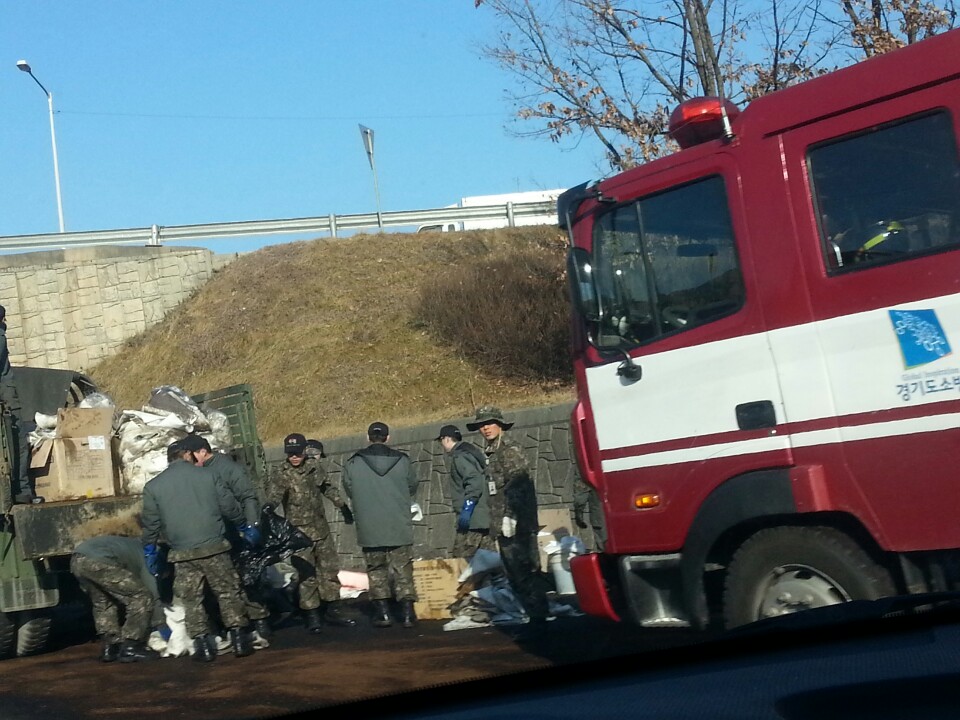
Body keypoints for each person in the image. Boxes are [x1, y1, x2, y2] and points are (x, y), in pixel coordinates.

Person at [141, 440, 257, 662]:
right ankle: (239, 641)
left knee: (192, 599)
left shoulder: (153, 487)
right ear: (186, 455)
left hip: (182, 554)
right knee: (227, 591)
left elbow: (151, 524)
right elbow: (229, 506)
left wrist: (149, 550)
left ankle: (203, 646)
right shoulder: (208, 476)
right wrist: (244, 525)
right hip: (215, 547)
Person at [466, 406, 551, 640]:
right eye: (481, 425)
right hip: (504, 524)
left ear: (500, 424)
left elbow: (519, 484)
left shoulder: (509, 450)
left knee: (525, 571)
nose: (485, 428)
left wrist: (510, 515)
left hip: (518, 523)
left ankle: (538, 621)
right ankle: (534, 619)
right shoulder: (492, 452)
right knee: (515, 573)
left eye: (490, 423)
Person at [179, 434, 273, 640]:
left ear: (203, 451)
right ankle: (234, 624)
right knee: (225, 583)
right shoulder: (197, 472)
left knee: (247, 577)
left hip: (237, 532)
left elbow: (247, 497)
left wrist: (250, 525)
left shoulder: (229, 469)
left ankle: (259, 619)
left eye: (192, 455)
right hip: (215, 536)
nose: (189, 460)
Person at [265, 433, 357, 633]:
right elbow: (274, 495)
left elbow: (327, 488)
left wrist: (342, 506)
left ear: (305, 451)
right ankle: (312, 614)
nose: (294, 457)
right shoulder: (281, 472)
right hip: (299, 535)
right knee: (306, 575)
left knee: (329, 570)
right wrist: (269, 508)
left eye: (297, 453)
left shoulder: (314, 467)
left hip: (320, 529)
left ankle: (333, 608)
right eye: (290, 453)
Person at [342, 421, 419, 628]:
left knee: (376, 569)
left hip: (369, 525)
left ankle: (383, 613)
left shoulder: (353, 463)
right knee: (403, 568)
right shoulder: (403, 461)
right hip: (398, 523)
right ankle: (407, 613)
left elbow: (349, 489)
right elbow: (412, 485)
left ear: (367, 438)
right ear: (388, 438)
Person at [71, 534, 163, 663]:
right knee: (141, 596)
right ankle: (131, 646)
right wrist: (161, 624)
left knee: (104, 601)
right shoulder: (150, 555)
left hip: (78, 560)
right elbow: (153, 592)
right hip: (100, 561)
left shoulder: (130, 544)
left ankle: (110, 647)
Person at [436, 424, 494, 559]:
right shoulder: (471, 453)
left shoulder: (459, 457)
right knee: (489, 561)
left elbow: (474, 482)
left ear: (446, 439)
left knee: (461, 560)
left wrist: (467, 508)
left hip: (473, 520)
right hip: (483, 517)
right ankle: (499, 580)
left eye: (441, 441)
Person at [0, 305, 39, 504]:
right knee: (19, 444)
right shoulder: (0, 336)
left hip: (6, 395)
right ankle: (22, 490)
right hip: (6, 395)